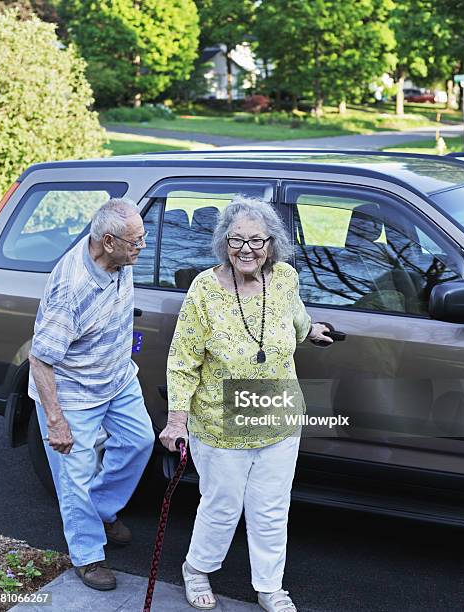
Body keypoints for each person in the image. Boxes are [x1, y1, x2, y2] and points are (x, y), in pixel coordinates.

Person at [160, 196, 332, 611]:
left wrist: (311, 331)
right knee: (222, 505)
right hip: (221, 421)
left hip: (278, 415)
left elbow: (295, 317)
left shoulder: (286, 279)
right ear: (224, 242)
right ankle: (197, 570)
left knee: (272, 508)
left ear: (272, 244)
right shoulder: (205, 289)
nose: (247, 250)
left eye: (257, 241)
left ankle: (270, 587)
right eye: (237, 240)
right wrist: (177, 420)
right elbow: (183, 360)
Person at [28, 198, 154, 591]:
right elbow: (39, 359)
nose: (143, 247)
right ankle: (87, 556)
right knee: (74, 477)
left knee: (140, 440)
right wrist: (56, 421)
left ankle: (101, 508)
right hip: (73, 394)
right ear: (110, 240)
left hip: (117, 379)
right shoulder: (72, 291)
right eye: (136, 241)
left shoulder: (118, 259)